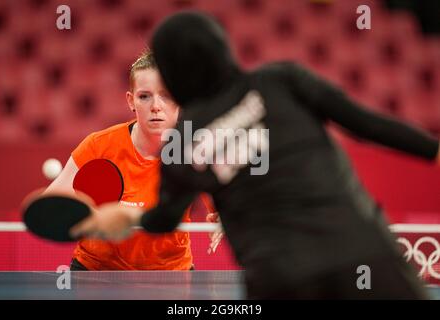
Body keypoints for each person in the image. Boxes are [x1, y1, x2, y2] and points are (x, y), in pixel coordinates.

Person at [71, 12, 440, 298]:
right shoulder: (282, 80)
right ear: (222, 48)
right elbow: (366, 124)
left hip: (279, 280)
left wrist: (121, 217)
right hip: (362, 252)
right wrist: (433, 149)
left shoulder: (183, 142)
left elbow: (162, 220)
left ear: (172, 73)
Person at [46, 49, 220, 270]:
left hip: (170, 276)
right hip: (97, 273)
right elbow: (49, 207)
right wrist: (85, 216)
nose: (156, 106)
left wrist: (223, 219)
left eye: (166, 95)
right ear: (131, 101)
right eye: (144, 96)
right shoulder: (98, 146)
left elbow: (230, 206)